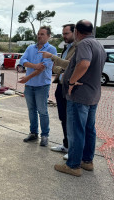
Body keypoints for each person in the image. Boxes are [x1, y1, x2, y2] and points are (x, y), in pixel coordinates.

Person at [54, 20, 106, 177]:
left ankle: (73, 165)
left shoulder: (84, 44)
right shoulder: (99, 45)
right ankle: (87, 161)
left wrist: (71, 81)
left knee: (76, 130)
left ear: (77, 31)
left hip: (80, 96)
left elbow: (83, 64)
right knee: (89, 129)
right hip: (93, 95)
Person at [40, 24, 78, 160]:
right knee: (63, 118)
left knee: (71, 120)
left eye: (66, 33)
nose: (64, 36)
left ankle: (73, 149)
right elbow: (57, 68)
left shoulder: (78, 47)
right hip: (61, 85)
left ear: (75, 32)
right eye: (63, 33)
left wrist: (53, 58)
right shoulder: (66, 48)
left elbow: (69, 66)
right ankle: (66, 145)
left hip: (70, 87)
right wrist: (59, 66)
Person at [19, 26, 57, 147]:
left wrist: (27, 77)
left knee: (42, 111)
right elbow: (22, 60)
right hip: (30, 86)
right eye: (38, 34)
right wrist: (34, 65)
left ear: (48, 36)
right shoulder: (30, 48)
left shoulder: (51, 49)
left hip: (42, 85)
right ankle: (33, 133)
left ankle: (45, 135)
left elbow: (43, 68)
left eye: (42, 34)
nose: (39, 36)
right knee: (31, 110)